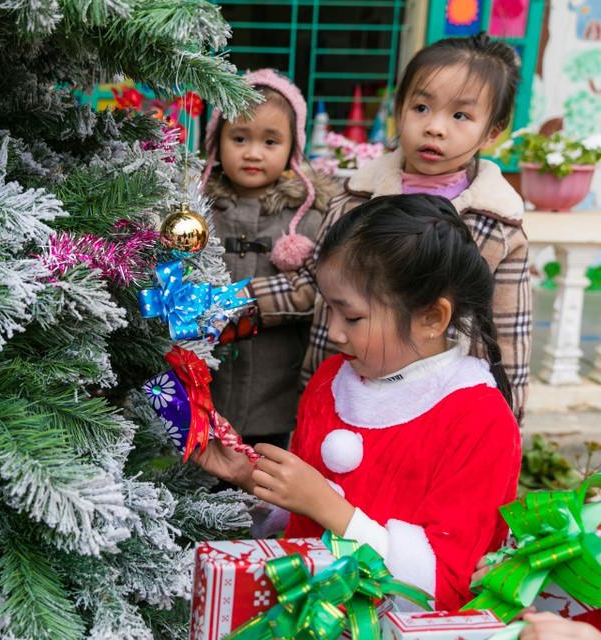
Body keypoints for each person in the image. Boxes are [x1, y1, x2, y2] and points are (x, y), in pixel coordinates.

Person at [193, 194, 523, 612]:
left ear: (431, 318)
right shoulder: (332, 380)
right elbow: (304, 511)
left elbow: (445, 587)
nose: (333, 332)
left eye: (351, 317)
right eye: (327, 309)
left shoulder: (477, 419)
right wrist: (250, 475)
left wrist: (330, 509)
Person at [253, 33, 531, 424]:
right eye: (421, 107)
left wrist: (504, 427)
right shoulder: (356, 200)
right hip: (338, 393)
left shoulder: (496, 227)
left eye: (460, 115)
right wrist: (228, 304)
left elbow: (505, 336)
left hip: (431, 415)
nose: (434, 127)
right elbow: (313, 286)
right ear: (397, 109)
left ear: (492, 132)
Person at [200, 69, 338, 448]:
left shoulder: (309, 218)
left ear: (292, 149)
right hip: (205, 387)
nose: (253, 152)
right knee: (203, 482)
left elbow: (317, 290)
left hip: (275, 390)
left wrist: (229, 305)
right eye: (239, 138)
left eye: (270, 141)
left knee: (266, 478)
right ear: (215, 143)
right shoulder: (197, 212)